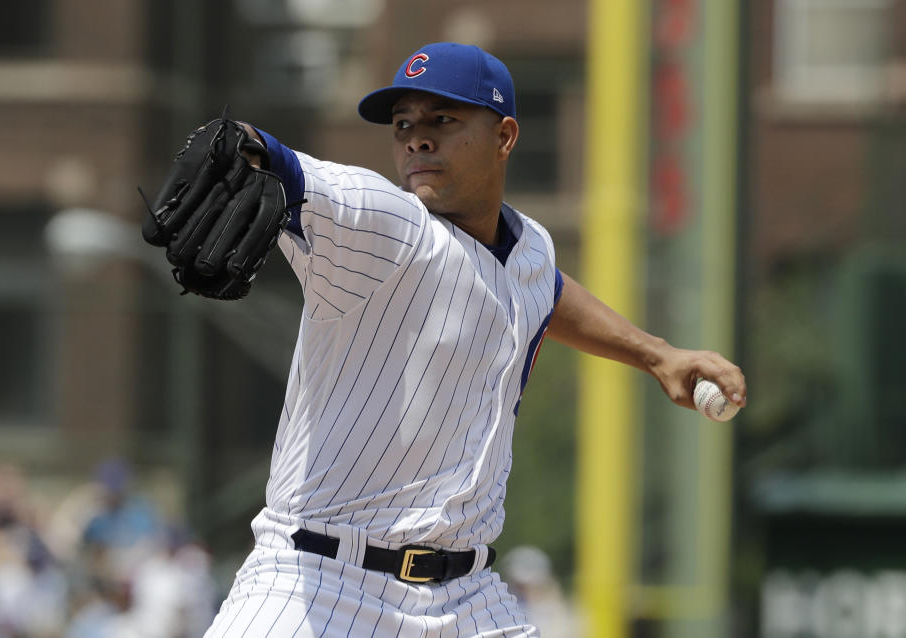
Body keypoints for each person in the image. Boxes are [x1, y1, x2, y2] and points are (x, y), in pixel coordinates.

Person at [165, 42, 746, 637]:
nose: (417, 138)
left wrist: (657, 355)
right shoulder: (388, 225)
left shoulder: (528, 248)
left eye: (443, 120)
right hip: (318, 584)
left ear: (505, 136)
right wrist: (242, 142)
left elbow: (544, 289)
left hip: (467, 597)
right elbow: (296, 171)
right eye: (404, 125)